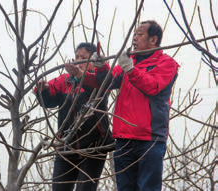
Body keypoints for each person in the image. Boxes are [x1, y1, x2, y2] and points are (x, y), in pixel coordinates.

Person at [70, 20, 179, 191]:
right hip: (123, 138)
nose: (135, 37)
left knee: (147, 188)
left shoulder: (166, 63)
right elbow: (107, 82)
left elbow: (152, 86)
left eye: (140, 34)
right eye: (134, 34)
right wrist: (98, 68)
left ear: (153, 40)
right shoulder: (129, 61)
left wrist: (130, 69)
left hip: (149, 139)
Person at [34, 42, 115, 191]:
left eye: (83, 57)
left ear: (93, 61)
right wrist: (43, 89)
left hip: (94, 146)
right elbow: (49, 99)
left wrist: (79, 75)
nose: (78, 60)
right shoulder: (65, 80)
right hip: (67, 145)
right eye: (76, 56)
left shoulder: (99, 78)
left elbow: (96, 91)